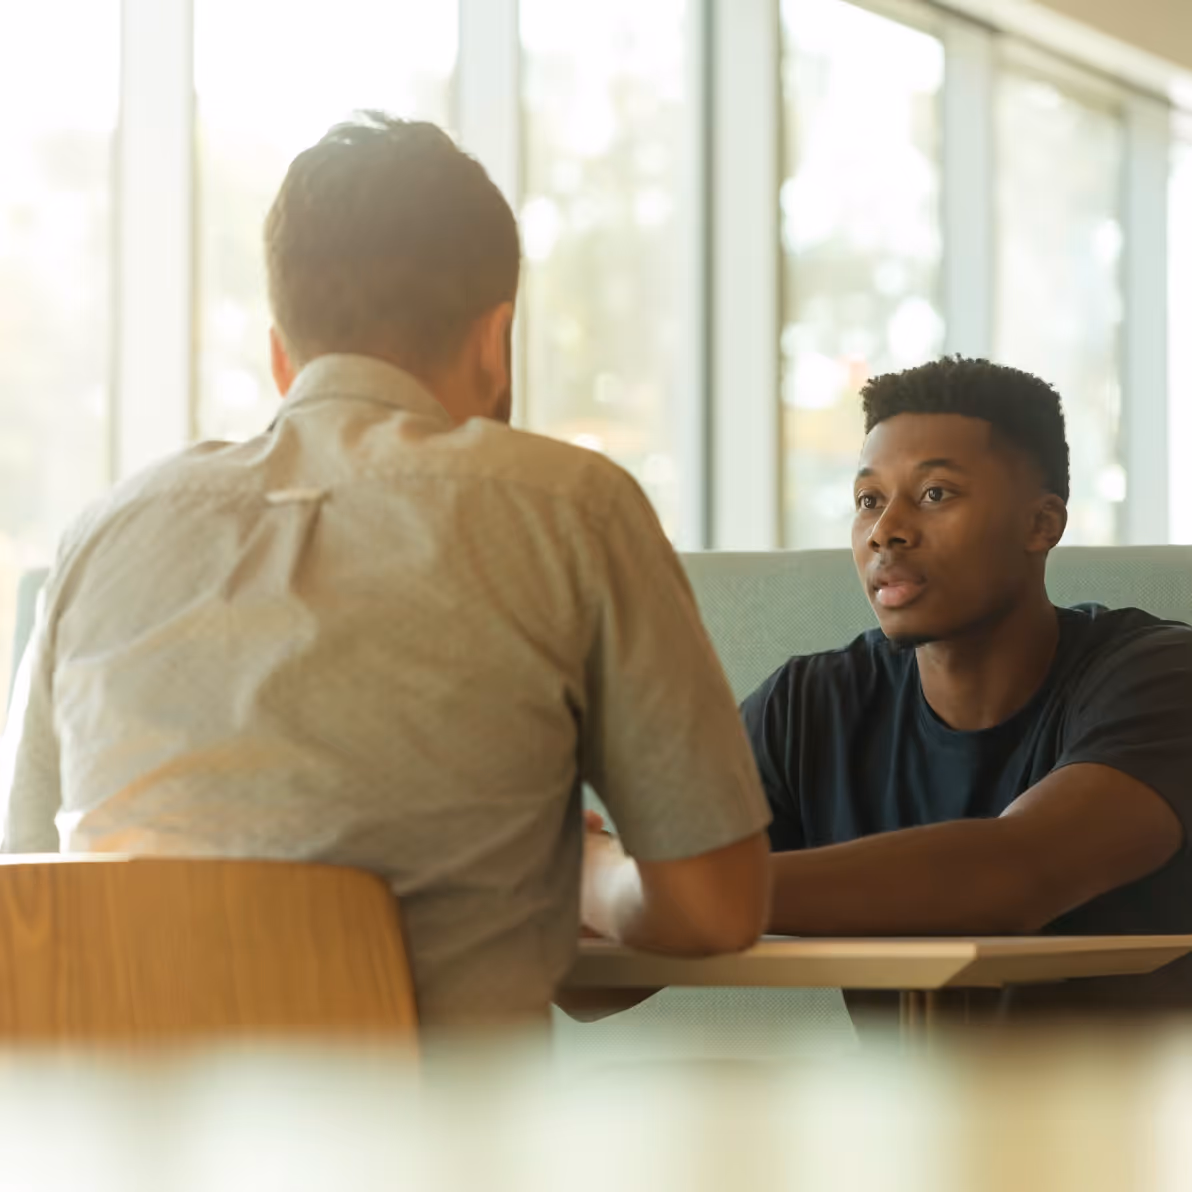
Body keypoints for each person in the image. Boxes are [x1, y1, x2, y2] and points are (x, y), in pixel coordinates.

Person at [0, 114, 771, 1029]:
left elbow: (29, 891)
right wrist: (590, 875)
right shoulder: (572, 508)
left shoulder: (102, 536)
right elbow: (717, 908)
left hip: (111, 1157)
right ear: (497, 342)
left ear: (282, 354)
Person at [743, 357, 1192, 1014]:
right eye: (869, 500)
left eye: (934, 495)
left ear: (1042, 525)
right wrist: (606, 885)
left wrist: (671, 893)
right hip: (914, 1114)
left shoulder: (1159, 677)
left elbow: (1013, 875)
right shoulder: (807, 707)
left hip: (1144, 1113)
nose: (884, 531)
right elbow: (599, 986)